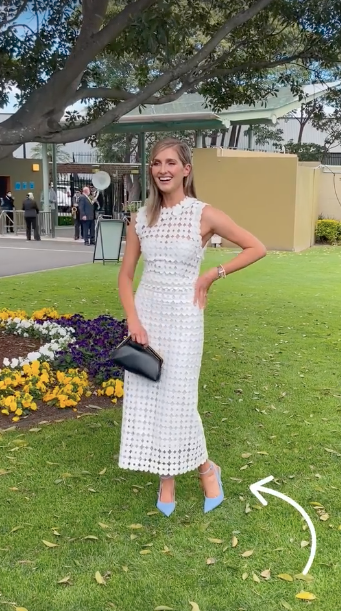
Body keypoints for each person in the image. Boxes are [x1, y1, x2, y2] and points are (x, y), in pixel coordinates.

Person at [117, 137, 266, 517]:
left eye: (170, 162)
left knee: (180, 400)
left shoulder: (204, 214)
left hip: (185, 318)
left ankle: (205, 469)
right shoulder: (140, 218)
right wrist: (134, 320)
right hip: (147, 316)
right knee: (152, 398)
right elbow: (125, 276)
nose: (162, 169)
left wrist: (212, 275)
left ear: (186, 169)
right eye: (155, 163)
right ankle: (168, 481)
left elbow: (255, 246)